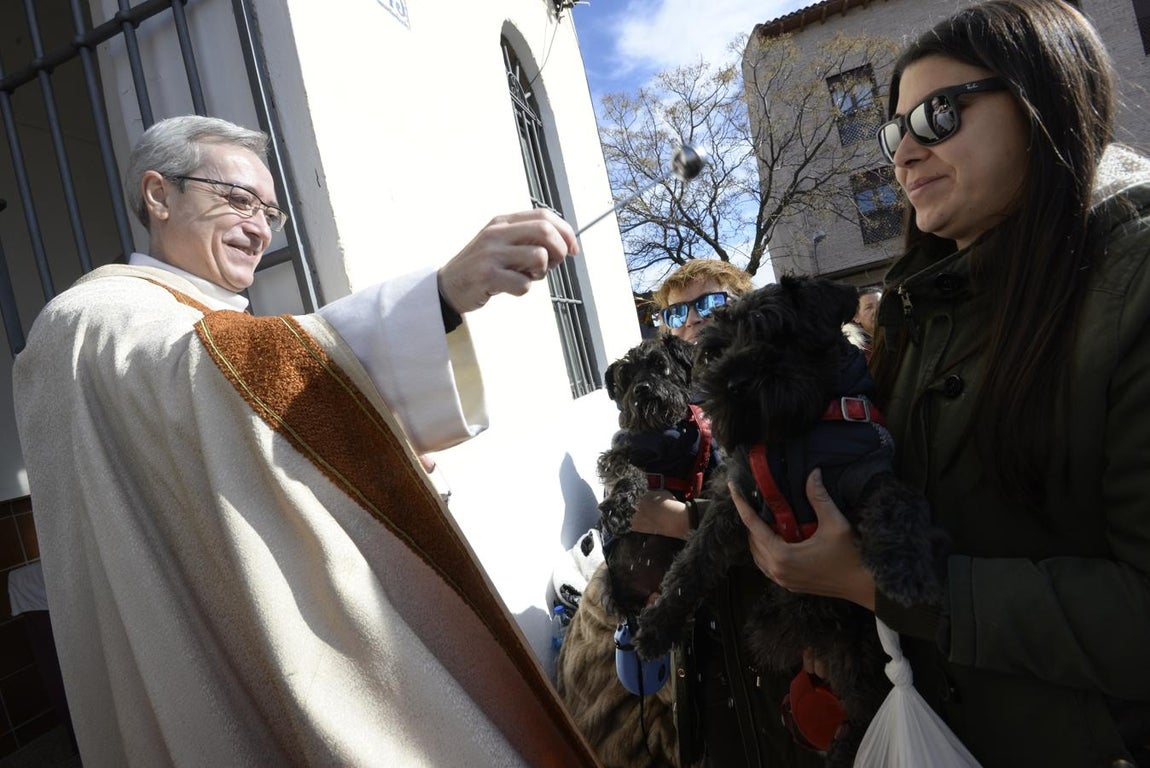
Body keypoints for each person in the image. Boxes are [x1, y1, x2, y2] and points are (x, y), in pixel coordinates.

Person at [13, 115, 598, 767]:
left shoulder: (205, 322)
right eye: (237, 198)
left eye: (270, 210)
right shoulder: (89, 321)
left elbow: (230, 442)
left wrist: (370, 448)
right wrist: (438, 297)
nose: (259, 226)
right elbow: (206, 372)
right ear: (159, 195)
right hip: (185, 635)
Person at [732, 1, 1150, 766]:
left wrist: (881, 588)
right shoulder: (917, 310)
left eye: (940, 114)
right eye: (895, 130)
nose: (904, 153)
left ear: (1046, 97)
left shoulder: (1132, 284)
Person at [558, 259, 824, 767]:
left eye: (712, 302)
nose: (693, 318)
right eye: (678, 310)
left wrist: (681, 520)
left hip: (770, 623)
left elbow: (795, 503)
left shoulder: (780, 391)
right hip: (697, 645)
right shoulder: (666, 402)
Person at [842, 286, 881, 355]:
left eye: (881, 305)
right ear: (856, 317)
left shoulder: (903, 335)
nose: (877, 310)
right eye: (869, 307)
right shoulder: (853, 351)